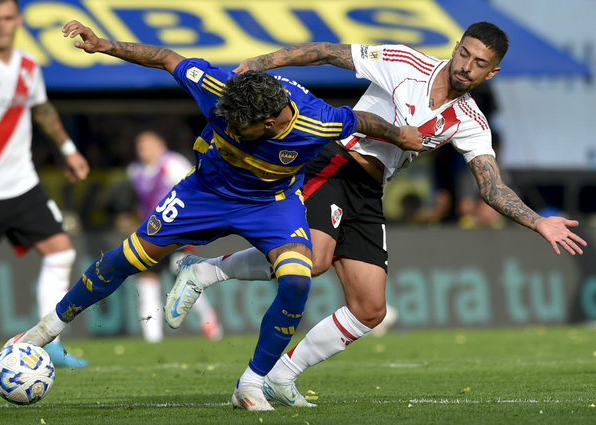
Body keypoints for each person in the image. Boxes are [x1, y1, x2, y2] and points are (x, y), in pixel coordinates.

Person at [4, 19, 424, 411]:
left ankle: (252, 384)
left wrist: (400, 134)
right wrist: (104, 45)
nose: (233, 128)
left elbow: (364, 120)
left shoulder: (318, 120)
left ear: (271, 124)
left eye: (245, 128)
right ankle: (44, 331)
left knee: (297, 279)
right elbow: (167, 58)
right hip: (203, 193)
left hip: (272, 204)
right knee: (127, 260)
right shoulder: (221, 90)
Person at [165, 21, 588, 408]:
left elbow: (490, 186)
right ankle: (207, 275)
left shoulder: (470, 121)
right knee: (313, 260)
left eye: (480, 64)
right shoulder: (407, 63)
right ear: (456, 47)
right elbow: (329, 51)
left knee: (370, 309)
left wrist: (538, 221)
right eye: (464, 54)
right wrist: (259, 63)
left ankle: (282, 375)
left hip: (370, 189)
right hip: (334, 161)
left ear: (491, 73)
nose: (466, 67)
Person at [0, 0, 90, 370]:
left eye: (7, 19)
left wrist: (68, 150)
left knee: (61, 251)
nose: (1, 26)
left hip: (23, 184)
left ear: (17, 21)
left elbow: (42, 109)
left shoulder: (29, 66)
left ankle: (51, 344)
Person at [127, 130, 222, 342]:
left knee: (185, 280)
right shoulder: (134, 171)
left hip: (177, 233)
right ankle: (152, 338)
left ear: (160, 145)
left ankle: (208, 320)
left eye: (147, 144)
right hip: (150, 236)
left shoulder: (173, 164)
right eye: (140, 146)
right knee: (147, 281)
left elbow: (193, 192)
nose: (143, 150)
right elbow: (140, 203)